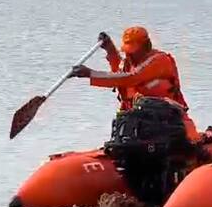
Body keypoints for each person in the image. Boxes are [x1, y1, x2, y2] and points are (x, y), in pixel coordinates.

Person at [70, 27, 199, 140]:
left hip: (167, 120)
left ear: (146, 46)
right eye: (128, 50)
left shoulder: (159, 60)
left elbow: (132, 78)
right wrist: (110, 48)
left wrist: (91, 73)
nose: (130, 54)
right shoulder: (129, 62)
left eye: (133, 51)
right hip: (135, 122)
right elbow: (118, 74)